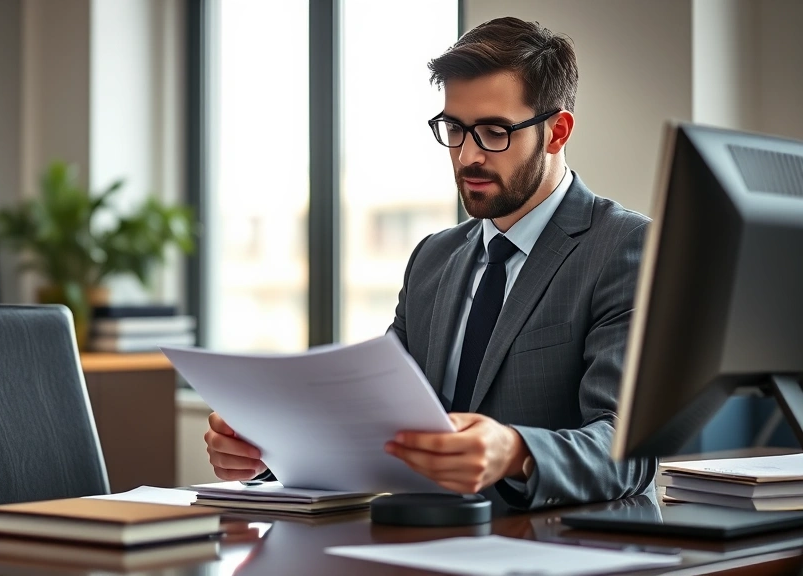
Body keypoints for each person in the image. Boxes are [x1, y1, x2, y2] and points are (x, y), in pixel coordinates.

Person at [203, 16, 656, 509]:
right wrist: (270, 447)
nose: (466, 157)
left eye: (493, 132)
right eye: (455, 129)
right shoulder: (433, 258)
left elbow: (629, 451)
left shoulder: (625, 248)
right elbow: (374, 417)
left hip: (560, 551)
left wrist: (516, 451)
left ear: (557, 131)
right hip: (425, 544)